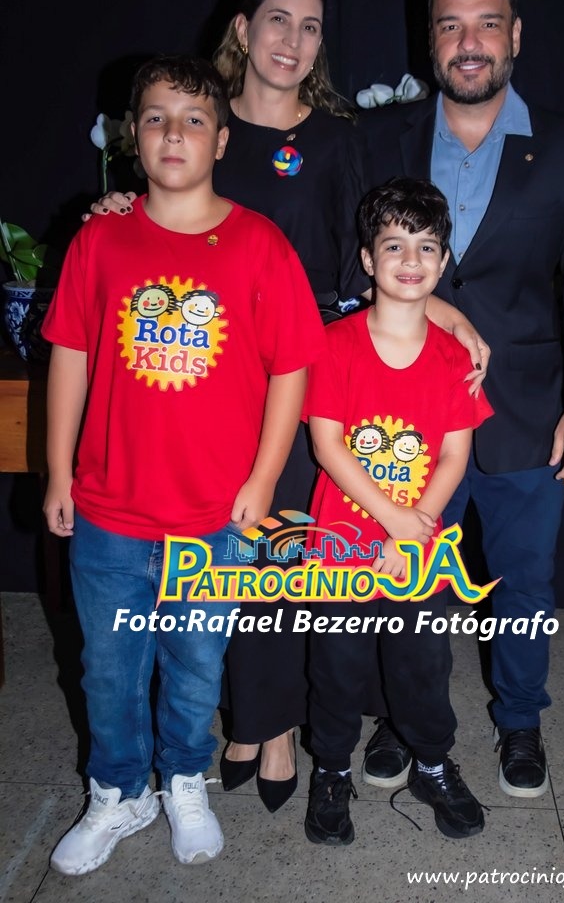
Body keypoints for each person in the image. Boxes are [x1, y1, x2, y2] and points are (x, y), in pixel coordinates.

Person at [89, 0, 490, 814]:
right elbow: (160, 216)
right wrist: (114, 207)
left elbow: (376, 251)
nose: (293, 41)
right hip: (210, 370)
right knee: (238, 557)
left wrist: (444, 311)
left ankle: (290, 723)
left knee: (291, 555)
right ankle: (255, 721)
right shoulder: (200, 121)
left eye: (310, 27)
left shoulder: (340, 138)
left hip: (306, 370)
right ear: (242, 29)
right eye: (278, 20)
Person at [41, 54, 324, 874]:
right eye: (157, 118)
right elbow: (69, 357)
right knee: (108, 670)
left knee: (197, 666)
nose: (174, 133)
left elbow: (291, 370)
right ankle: (118, 791)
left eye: (195, 120)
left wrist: (262, 480)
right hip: (109, 511)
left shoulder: (259, 245)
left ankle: (183, 780)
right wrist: (57, 471)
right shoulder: (100, 240)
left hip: (214, 517)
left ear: (221, 140)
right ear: (132, 136)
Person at [359, 0, 564, 796]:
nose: (467, 42)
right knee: (404, 576)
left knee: (524, 580)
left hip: (525, 410)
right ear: (428, 39)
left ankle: (520, 719)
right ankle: (403, 716)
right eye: (450, 24)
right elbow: (344, 259)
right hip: (404, 410)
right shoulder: (381, 137)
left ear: (514, 35)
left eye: (485, 23)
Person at [302, 177, 493, 845]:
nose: (410, 260)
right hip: (339, 551)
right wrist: (391, 519)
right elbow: (327, 446)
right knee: (336, 669)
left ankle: (432, 765)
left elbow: (453, 455)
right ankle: (330, 771)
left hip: (416, 551)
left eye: (426, 247)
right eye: (393, 245)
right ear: (367, 258)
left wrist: (413, 532)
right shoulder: (333, 345)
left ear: (443, 262)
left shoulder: (454, 359)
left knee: (422, 667)